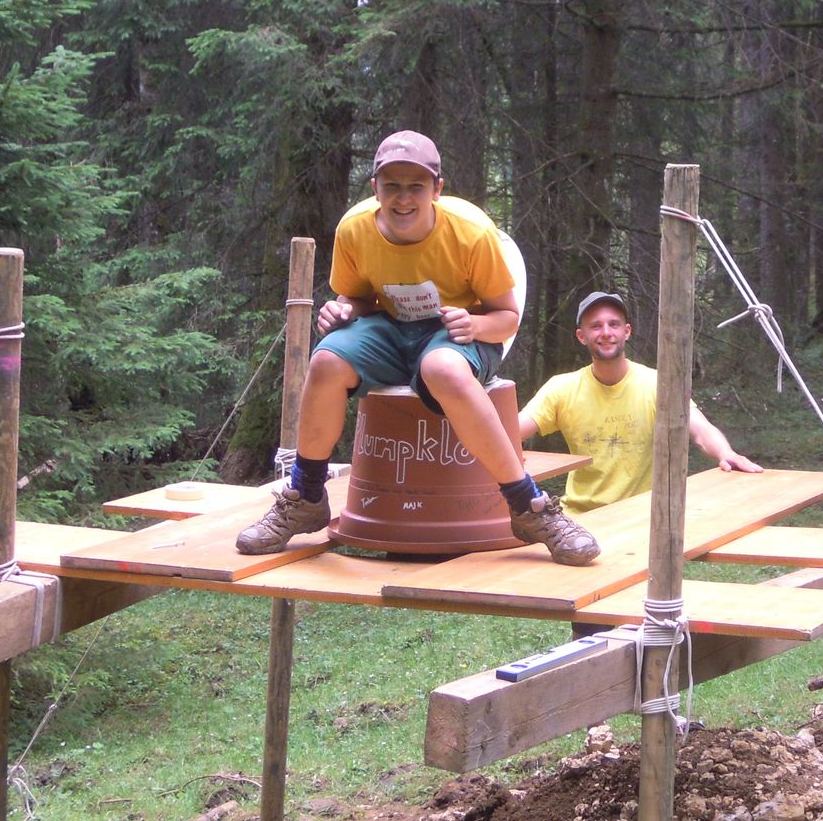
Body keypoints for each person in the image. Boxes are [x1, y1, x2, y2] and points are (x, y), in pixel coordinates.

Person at [238, 130, 601, 565]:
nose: (404, 198)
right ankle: (306, 495)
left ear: (437, 189)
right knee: (327, 359)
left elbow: (507, 316)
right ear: (375, 188)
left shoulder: (471, 232)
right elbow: (357, 298)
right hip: (391, 329)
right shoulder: (355, 229)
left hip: (463, 333)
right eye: (392, 185)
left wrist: (474, 323)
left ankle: (529, 506)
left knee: (442, 368)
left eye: (416, 186)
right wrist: (342, 310)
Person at [518, 291, 762, 515]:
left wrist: (725, 453)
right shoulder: (562, 388)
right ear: (582, 336)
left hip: (643, 517)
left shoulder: (657, 384)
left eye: (614, 324)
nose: (606, 332)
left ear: (627, 331)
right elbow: (514, 431)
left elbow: (700, 429)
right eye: (596, 326)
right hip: (580, 518)